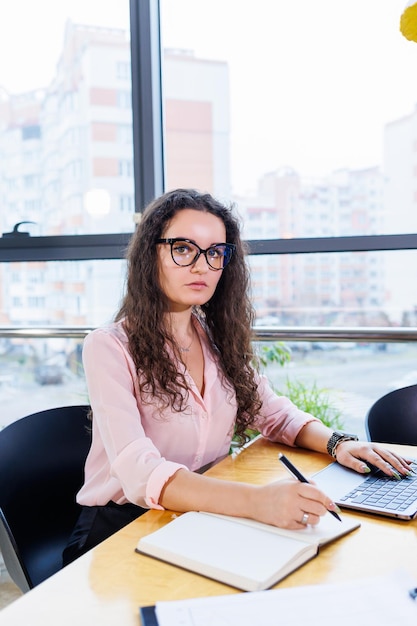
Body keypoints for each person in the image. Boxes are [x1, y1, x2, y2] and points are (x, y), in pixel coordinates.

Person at [63, 188, 412, 566]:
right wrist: (257, 502)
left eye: (215, 252)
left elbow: (276, 415)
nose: (202, 266)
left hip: (197, 514)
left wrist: (339, 444)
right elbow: (138, 473)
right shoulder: (108, 346)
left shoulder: (214, 338)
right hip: (120, 528)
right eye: (183, 248)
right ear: (151, 255)